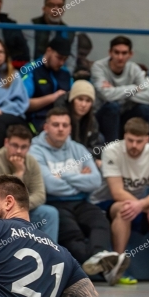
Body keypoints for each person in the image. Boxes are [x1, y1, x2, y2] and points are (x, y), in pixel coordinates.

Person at [29, 109, 120, 280]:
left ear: (70, 128)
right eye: (56, 125)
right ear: (46, 127)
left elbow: (94, 181)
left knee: (100, 222)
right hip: (54, 202)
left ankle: (99, 257)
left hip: (81, 202)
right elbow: (50, 185)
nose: (61, 129)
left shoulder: (78, 149)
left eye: (65, 125)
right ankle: (100, 267)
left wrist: (62, 174)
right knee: (73, 234)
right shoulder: (35, 150)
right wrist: (80, 178)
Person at [89, 117, 149, 284]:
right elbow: (117, 192)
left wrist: (144, 205)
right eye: (130, 140)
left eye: (139, 141)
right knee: (125, 208)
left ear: (147, 139)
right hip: (105, 202)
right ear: (124, 137)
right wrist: (148, 208)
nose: (134, 146)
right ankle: (119, 266)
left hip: (140, 202)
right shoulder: (112, 150)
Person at [0, 124, 59, 242]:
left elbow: (40, 195)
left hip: (25, 209)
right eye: (15, 145)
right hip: (0, 213)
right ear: (6, 143)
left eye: (23, 147)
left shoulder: (31, 162)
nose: (19, 151)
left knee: (50, 213)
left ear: (29, 147)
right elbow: (1, 197)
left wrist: (20, 209)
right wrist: (19, 172)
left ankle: (50, 256)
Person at [91, 36, 149, 143]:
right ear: (110, 53)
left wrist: (114, 90)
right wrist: (134, 88)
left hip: (125, 115)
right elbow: (106, 96)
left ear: (130, 54)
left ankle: (146, 146)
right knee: (113, 106)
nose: (120, 57)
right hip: (103, 115)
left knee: (144, 109)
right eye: (116, 52)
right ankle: (111, 148)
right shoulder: (98, 67)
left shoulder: (134, 69)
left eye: (124, 53)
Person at [26, 0, 92, 79]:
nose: (56, 9)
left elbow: (71, 63)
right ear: (44, 8)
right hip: (35, 74)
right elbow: (30, 57)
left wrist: (64, 78)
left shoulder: (70, 33)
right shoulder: (32, 26)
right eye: (51, 5)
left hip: (60, 75)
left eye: (60, 6)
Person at [23, 36, 72, 134]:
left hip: (63, 123)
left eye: (65, 59)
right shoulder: (31, 70)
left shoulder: (66, 73)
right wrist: (53, 97)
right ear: (49, 51)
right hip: (37, 122)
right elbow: (24, 104)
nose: (62, 63)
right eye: (59, 58)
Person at [62, 80, 105, 159]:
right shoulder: (61, 120)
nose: (83, 105)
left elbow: (96, 148)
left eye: (88, 101)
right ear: (72, 100)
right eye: (80, 99)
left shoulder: (92, 122)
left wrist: (92, 160)